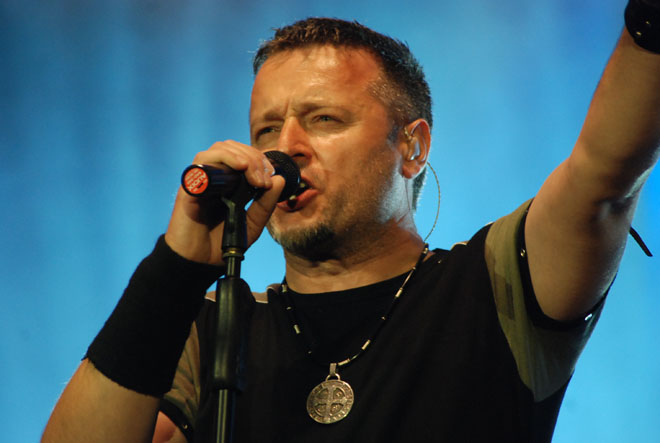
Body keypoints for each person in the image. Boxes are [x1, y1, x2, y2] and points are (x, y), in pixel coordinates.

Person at [43, 2, 660, 442]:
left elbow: (604, 177)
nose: (284, 150)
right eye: (266, 129)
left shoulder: (491, 285)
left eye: (324, 120)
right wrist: (176, 270)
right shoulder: (215, 329)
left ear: (412, 148)